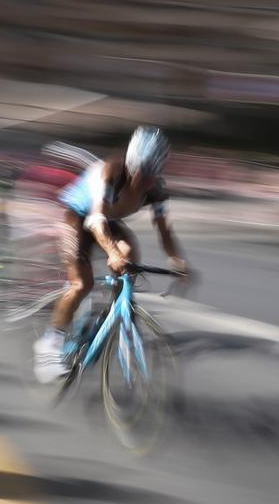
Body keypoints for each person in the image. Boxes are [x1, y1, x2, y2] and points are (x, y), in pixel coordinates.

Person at [33, 127, 188, 383]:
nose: (148, 181)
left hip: (107, 220)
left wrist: (176, 260)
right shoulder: (112, 173)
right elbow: (96, 221)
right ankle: (49, 344)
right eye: (143, 172)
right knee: (82, 283)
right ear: (132, 165)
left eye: (154, 174)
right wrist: (112, 252)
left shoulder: (156, 188)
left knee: (129, 253)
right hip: (79, 216)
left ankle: (113, 310)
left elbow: (164, 230)